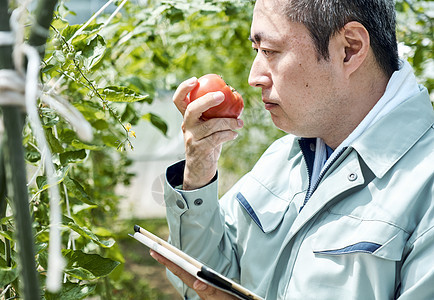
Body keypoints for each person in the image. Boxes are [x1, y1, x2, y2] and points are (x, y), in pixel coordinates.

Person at [150, 0, 434, 299]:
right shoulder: (283, 157)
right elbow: (200, 283)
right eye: (255, 50)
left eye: (270, 51)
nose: (254, 75)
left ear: (349, 49)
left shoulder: (424, 187)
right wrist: (199, 171)